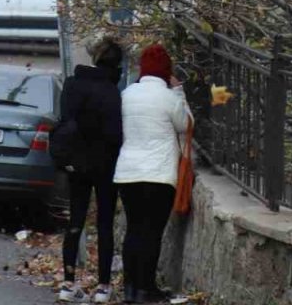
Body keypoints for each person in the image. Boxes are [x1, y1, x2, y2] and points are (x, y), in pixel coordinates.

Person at [114, 44, 191, 304]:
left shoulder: (127, 94)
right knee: (151, 232)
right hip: (158, 174)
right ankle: (146, 289)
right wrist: (179, 91)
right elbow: (186, 124)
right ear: (166, 71)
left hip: (128, 173)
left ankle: (130, 288)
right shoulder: (169, 97)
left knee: (134, 230)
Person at [55, 37, 125, 304]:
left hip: (77, 162)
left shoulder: (73, 85)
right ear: (116, 65)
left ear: (95, 58)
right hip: (106, 164)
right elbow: (115, 132)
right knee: (104, 224)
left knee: (75, 221)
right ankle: (104, 287)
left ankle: (68, 283)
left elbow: (66, 120)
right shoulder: (111, 91)